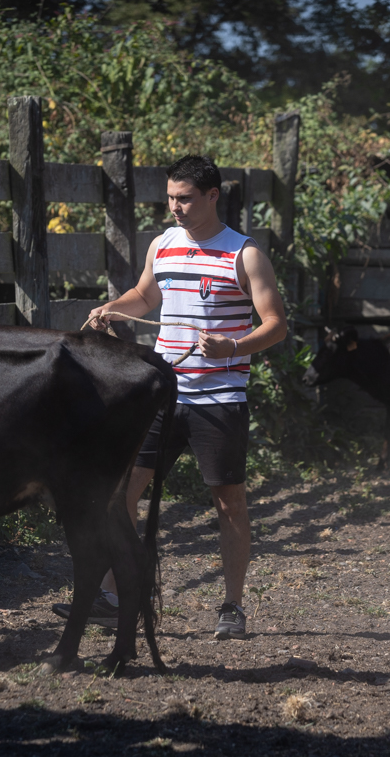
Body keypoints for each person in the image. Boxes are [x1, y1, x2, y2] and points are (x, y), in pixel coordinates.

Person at [53, 154, 287, 640]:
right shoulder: (163, 244)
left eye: (185, 199)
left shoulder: (244, 254)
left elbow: (276, 325)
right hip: (159, 393)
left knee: (228, 502)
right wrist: (113, 308)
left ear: (212, 196)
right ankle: (116, 597)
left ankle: (232, 606)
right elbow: (144, 295)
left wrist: (233, 347)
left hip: (218, 397)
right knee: (123, 493)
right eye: (170, 198)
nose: (175, 207)